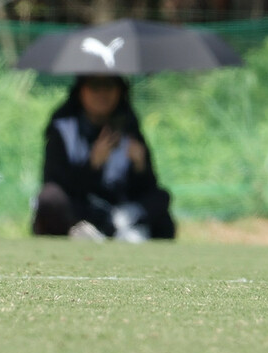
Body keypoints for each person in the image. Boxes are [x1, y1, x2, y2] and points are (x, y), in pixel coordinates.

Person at [32, 75, 176, 242]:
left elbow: (146, 187)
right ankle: (89, 231)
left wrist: (140, 166)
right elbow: (54, 182)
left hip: (119, 211)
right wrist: (93, 165)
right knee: (50, 199)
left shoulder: (129, 130)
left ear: (120, 92)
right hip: (78, 209)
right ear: (81, 91)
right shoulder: (63, 129)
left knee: (161, 199)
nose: (102, 93)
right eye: (94, 86)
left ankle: (118, 228)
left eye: (109, 86)